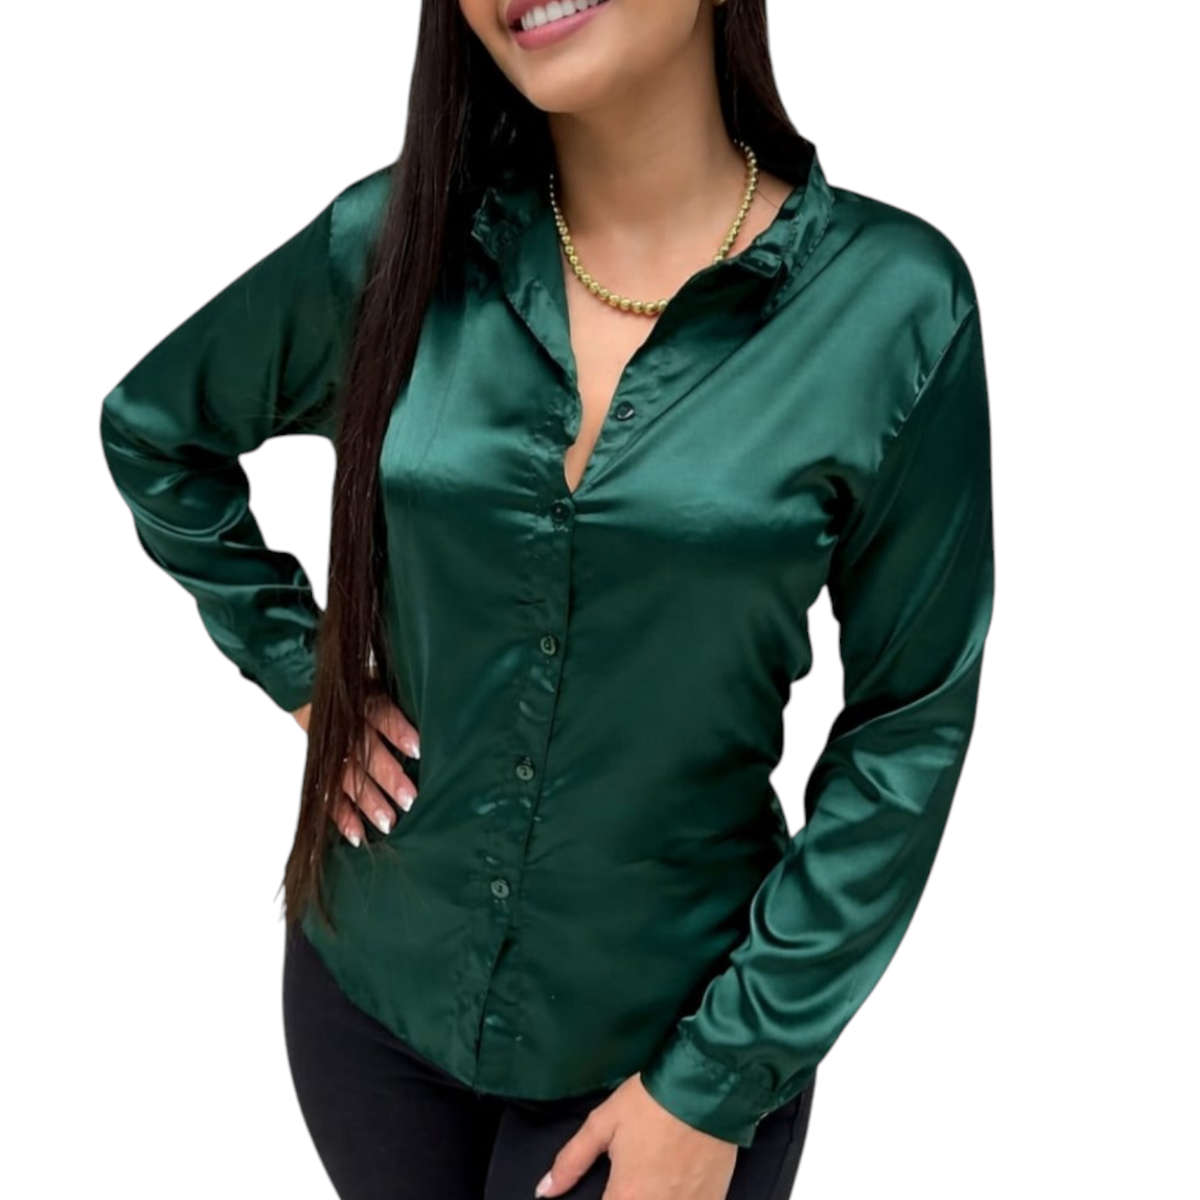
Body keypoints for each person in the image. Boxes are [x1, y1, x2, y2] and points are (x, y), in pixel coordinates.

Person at [98, 1, 995, 1197]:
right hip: (372, 1000)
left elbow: (908, 725)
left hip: (665, 1052)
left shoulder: (892, 305)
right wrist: (304, 672)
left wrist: (719, 1079)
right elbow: (156, 431)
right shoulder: (395, 242)